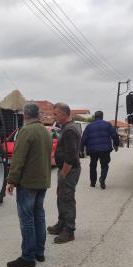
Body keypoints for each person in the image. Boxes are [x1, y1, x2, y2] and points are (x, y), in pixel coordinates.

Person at [6, 103, 53, 267]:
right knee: (39, 217)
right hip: (42, 181)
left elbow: (18, 159)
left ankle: (27, 257)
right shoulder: (46, 132)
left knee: (27, 220)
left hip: (28, 182)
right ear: (38, 115)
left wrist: (11, 180)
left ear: (25, 116)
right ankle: (39, 252)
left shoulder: (26, 131)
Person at [47, 103, 81, 244]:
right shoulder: (66, 128)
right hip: (65, 169)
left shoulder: (70, 130)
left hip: (69, 170)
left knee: (66, 198)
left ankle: (69, 230)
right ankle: (61, 224)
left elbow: (71, 155)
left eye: (56, 114)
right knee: (61, 197)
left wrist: (63, 173)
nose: (54, 116)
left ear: (64, 114)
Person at [80, 111, 119, 189]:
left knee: (93, 165)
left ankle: (93, 183)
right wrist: (116, 144)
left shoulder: (89, 126)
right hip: (105, 149)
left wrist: (81, 148)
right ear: (102, 116)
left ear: (94, 117)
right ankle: (102, 179)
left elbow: (84, 138)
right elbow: (114, 135)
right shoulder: (107, 125)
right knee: (104, 165)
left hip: (92, 149)